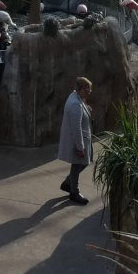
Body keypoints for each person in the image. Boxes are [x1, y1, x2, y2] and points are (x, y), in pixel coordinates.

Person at [57, 76, 93, 205]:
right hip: (77, 140)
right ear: (80, 89)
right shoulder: (75, 105)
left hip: (81, 139)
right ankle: (74, 192)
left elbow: (81, 108)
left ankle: (68, 183)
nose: (89, 93)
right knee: (78, 164)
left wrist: (86, 108)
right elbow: (76, 128)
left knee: (82, 163)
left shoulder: (76, 97)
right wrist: (80, 147)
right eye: (87, 91)